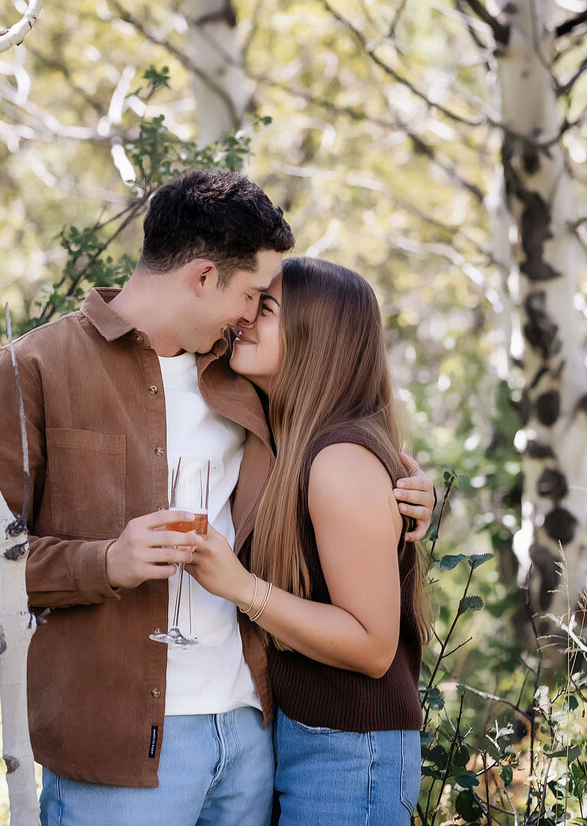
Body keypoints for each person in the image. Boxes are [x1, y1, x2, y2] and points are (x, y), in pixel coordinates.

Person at [0, 171, 434, 826]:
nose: (250, 316)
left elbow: (336, 436)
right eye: (252, 295)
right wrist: (105, 562)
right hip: (120, 749)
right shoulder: (32, 371)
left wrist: (407, 498)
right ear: (203, 278)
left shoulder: (241, 381)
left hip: (254, 735)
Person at [188, 256, 428, 824]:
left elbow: (372, 646)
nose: (243, 319)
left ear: (315, 337)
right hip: (305, 736)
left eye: (265, 309)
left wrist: (244, 588)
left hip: (351, 752)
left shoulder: (338, 458)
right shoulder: (289, 439)